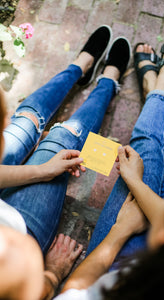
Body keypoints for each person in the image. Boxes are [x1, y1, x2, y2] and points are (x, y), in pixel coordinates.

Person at [53, 31, 164, 300]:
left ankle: (157, 89)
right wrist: (136, 184)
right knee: (161, 154)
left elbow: (75, 292)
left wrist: (121, 229)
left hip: (110, 267)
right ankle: (160, 85)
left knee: (154, 150)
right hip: (159, 266)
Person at [0, 25, 131, 300]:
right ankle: (107, 83)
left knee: (27, 120)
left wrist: (42, 170)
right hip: (23, 233)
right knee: (62, 137)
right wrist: (53, 274)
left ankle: (79, 68)